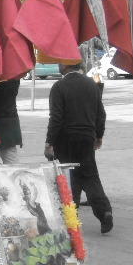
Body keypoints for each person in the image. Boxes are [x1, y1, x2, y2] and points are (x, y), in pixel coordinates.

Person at [45, 62, 113, 234]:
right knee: (90, 176)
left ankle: (71, 219)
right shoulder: (91, 84)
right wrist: (98, 135)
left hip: (65, 139)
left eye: (60, 62)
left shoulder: (59, 86)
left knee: (69, 178)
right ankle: (104, 211)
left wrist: (49, 142)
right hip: (87, 137)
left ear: (66, 66)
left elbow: (56, 117)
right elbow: (101, 113)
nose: (58, 65)